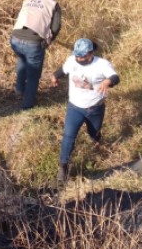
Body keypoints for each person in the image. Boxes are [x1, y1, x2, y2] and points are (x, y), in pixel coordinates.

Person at [50, 38, 120, 184]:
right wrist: (55, 77)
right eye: (77, 55)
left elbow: (115, 77)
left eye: (82, 55)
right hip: (74, 107)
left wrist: (108, 82)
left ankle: (97, 144)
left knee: (94, 133)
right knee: (69, 136)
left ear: (90, 53)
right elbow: (63, 70)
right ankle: (63, 167)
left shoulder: (101, 64)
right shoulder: (72, 61)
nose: (79, 58)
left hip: (95, 108)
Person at [10, 0, 62, 109]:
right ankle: (28, 104)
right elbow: (55, 27)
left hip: (15, 39)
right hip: (33, 42)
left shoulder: (28, 0)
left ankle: (19, 91)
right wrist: (48, 40)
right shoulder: (54, 5)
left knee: (22, 61)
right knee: (33, 74)